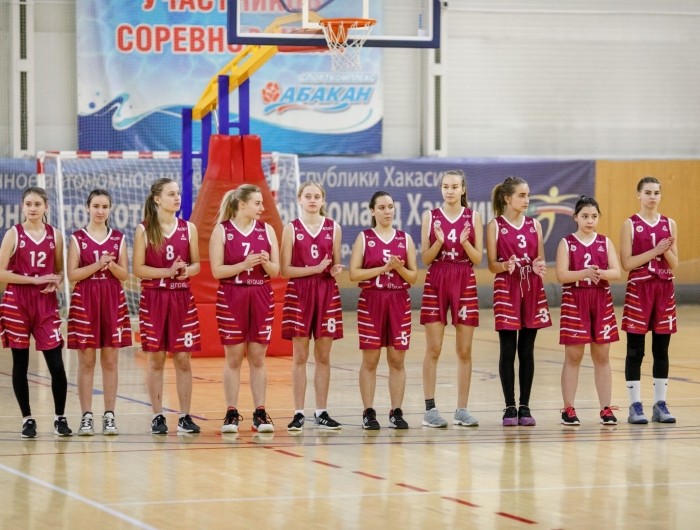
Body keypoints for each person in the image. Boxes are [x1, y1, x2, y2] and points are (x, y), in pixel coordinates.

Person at [0, 186, 72, 438]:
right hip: (17, 302)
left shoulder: (56, 235)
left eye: (37, 204)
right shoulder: (13, 234)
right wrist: (33, 280)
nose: (32, 208)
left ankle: (60, 418)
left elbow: (59, 271)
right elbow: (1, 273)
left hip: (45, 303)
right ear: (22, 206)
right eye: (28, 204)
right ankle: (27, 419)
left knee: (56, 364)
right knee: (20, 363)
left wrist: (56, 280)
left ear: (46, 207)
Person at [133, 178, 202, 435]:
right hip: (154, 298)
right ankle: (157, 415)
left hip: (181, 298)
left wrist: (186, 271)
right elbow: (138, 269)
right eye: (171, 194)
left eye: (178, 193)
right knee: (156, 359)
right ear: (157, 199)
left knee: (183, 358)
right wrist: (167, 272)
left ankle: (184, 416)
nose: (177, 198)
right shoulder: (144, 229)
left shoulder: (189, 228)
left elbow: (197, 264)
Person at [210, 185, 280, 434]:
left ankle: (260, 412)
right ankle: (231, 412)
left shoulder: (267, 230)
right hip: (232, 295)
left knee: (258, 357)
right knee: (234, 357)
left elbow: (276, 271)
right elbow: (217, 271)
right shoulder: (222, 230)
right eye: (257, 203)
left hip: (261, 294)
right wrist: (243, 264)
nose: (262, 208)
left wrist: (266, 263)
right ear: (242, 204)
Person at [420, 169, 483, 428]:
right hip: (437, 277)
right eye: (446, 186)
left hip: (464, 277)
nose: (449, 191)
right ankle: (430, 410)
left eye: (454, 187)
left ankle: (462, 410)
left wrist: (465, 243)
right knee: (434, 348)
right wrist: (439, 242)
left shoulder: (473, 217)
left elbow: (478, 259)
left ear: (463, 189)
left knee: (464, 350)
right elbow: (425, 259)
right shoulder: (430, 216)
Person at [349, 191, 418, 429]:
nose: (387, 211)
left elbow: (413, 277)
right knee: (371, 358)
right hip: (372, 300)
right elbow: (354, 274)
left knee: (397, 358)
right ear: (372, 211)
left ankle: (396, 411)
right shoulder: (364, 238)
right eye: (381, 207)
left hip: (399, 300)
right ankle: (368, 412)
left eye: (390, 207)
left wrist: (398, 269)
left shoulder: (405, 239)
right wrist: (382, 269)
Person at [486, 176, 551, 426]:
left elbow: (539, 259)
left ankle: (525, 406)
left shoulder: (535, 225)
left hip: (531, 287)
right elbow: (492, 265)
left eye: (528, 195)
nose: (526, 200)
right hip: (506, 286)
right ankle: (509, 406)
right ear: (507, 198)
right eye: (521, 195)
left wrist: (537, 266)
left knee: (527, 350)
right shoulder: (495, 226)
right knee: (507, 349)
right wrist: (506, 265)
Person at [67, 189, 132, 436]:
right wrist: (97, 264)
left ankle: (109, 415)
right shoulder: (77, 238)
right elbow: (72, 274)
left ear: (110, 209)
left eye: (105, 206)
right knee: (86, 361)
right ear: (87, 208)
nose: (100, 211)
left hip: (112, 298)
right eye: (96, 206)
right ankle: (86, 416)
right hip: (85, 299)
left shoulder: (118, 238)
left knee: (110, 361)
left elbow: (125, 275)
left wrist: (111, 264)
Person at [281, 181, 344, 431]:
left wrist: (335, 270)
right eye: (307, 196)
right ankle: (298, 412)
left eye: (317, 196)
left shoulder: (333, 227)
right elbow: (285, 270)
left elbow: (335, 264)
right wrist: (314, 269)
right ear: (299, 199)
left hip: (326, 291)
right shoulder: (291, 229)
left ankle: (321, 411)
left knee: (324, 355)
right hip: (300, 291)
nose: (312, 200)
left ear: (323, 200)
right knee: (300, 355)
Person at [555, 196, 621, 425]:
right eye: (585, 216)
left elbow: (617, 272)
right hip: (575, 299)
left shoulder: (605, 242)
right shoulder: (566, 243)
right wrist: (584, 273)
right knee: (573, 355)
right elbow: (561, 275)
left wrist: (599, 273)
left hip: (601, 299)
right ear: (575, 217)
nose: (589, 220)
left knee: (602, 355)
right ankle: (568, 408)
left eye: (594, 216)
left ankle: (606, 409)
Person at [620, 176, 678, 424]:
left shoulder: (669, 224)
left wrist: (666, 251)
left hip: (664, 289)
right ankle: (635, 406)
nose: (652, 197)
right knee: (636, 350)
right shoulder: (630, 224)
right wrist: (655, 251)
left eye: (656, 193)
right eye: (648, 192)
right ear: (639, 195)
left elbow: (674, 264)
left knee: (661, 349)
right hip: (640, 289)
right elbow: (627, 264)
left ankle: (660, 404)